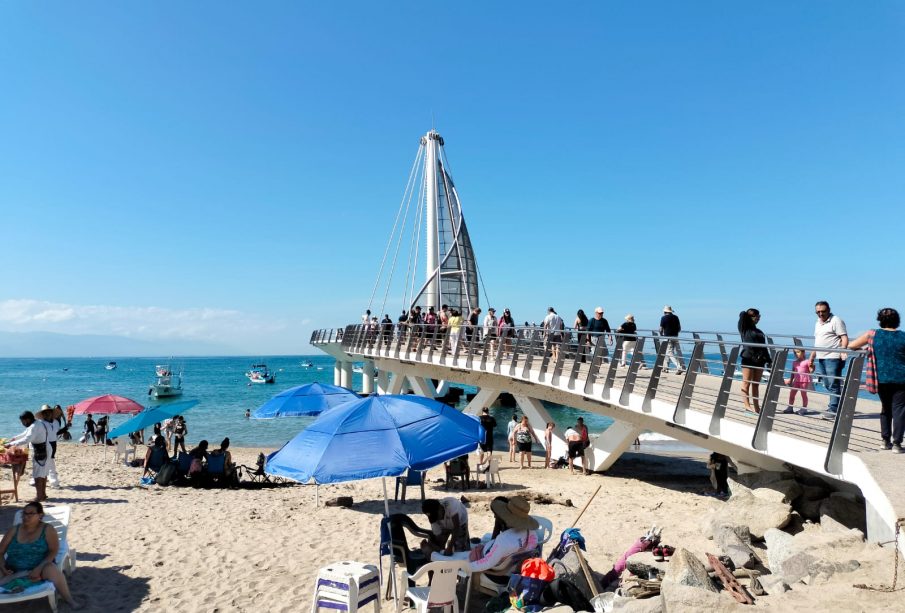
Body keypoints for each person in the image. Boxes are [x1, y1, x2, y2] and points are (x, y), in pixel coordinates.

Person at [0, 502, 79, 608]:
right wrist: (3, 567)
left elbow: (53, 551)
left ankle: (69, 599)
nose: (26, 516)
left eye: (31, 514)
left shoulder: (47, 529)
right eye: (24, 513)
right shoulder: (14, 530)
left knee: (51, 569)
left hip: (39, 567)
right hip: (12, 568)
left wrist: (39, 568)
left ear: (40, 515)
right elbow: (0, 552)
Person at [849, 308, 905, 452]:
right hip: (901, 378)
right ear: (897, 320)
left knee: (886, 409)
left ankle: (885, 441)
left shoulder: (872, 334)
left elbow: (852, 346)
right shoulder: (903, 336)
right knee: (899, 410)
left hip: (880, 378)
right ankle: (897, 444)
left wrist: (869, 348)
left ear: (880, 320)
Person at [464, 496, 539, 573]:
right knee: (486, 537)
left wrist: (464, 567)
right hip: (514, 562)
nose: (495, 516)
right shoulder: (532, 534)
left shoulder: (504, 540)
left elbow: (487, 563)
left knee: (469, 552)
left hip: (498, 565)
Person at [809, 301, 849, 420]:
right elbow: (817, 342)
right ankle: (835, 406)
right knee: (826, 383)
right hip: (821, 357)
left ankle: (834, 408)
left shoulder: (836, 320)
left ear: (829, 309)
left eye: (823, 311)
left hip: (833, 357)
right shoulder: (817, 322)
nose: (820, 314)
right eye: (818, 312)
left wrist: (843, 351)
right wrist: (811, 358)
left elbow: (844, 337)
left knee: (833, 384)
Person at [8, 411, 52, 502]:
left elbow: (27, 439)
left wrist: (11, 444)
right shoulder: (37, 423)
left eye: (23, 421)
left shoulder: (34, 426)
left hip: (41, 450)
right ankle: (43, 495)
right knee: (43, 473)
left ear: (27, 419)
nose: (22, 423)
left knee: (37, 475)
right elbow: (25, 433)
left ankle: (39, 496)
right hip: (46, 448)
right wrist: (15, 438)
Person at [738, 308, 770, 413]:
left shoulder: (759, 331)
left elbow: (764, 347)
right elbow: (742, 314)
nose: (758, 318)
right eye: (757, 316)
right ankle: (747, 407)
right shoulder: (744, 329)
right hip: (748, 359)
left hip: (760, 360)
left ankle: (757, 407)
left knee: (756, 384)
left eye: (759, 316)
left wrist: (769, 360)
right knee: (746, 383)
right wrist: (749, 313)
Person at [783, 348, 813, 415]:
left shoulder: (807, 361)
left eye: (798, 352)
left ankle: (804, 408)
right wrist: (791, 380)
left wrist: (812, 366)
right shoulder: (794, 362)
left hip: (804, 380)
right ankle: (790, 407)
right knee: (792, 394)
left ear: (803, 352)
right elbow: (793, 372)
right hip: (796, 380)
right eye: (795, 353)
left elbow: (811, 371)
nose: (796, 354)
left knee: (803, 394)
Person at [39, 407, 60, 488]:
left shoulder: (56, 422)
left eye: (48, 412)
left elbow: (56, 433)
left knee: (49, 461)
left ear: (52, 413)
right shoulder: (41, 423)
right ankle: (54, 482)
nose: (47, 414)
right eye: (45, 413)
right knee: (49, 462)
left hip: (54, 443)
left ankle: (38, 479)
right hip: (45, 443)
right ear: (43, 414)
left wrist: (66, 428)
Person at [659, 305, 684, 374]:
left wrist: (661, 334)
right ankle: (665, 368)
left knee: (669, 352)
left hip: (667, 337)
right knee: (669, 351)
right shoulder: (676, 317)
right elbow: (679, 328)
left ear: (665, 312)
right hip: (675, 336)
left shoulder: (663, 318)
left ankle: (679, 367)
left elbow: (660, 329)